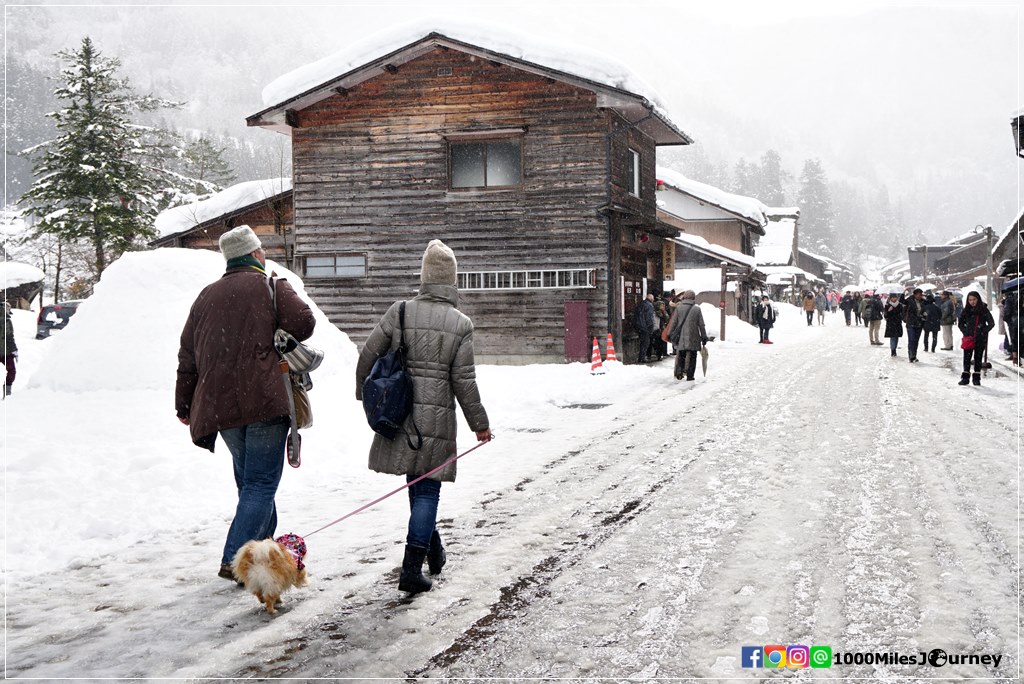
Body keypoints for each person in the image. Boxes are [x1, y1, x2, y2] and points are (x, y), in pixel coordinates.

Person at [176, 225, 316, 582]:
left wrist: (184, 404)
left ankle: (261, 557)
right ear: (255, 254)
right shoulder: (269, 286)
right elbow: (304, 323)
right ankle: (233, 558)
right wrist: (280, 289)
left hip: (220, 409)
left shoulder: (206, 296)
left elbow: (187, 356)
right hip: (265, 401)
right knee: (259, 485)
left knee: (250, 484)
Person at [355, 240, 492, 594]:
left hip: (399, 415)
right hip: (436, 422)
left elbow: (368, 355)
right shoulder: (460, 324)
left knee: (417, 488)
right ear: (452, 281)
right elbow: (464, 382)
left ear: (424, 276)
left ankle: (434, 552)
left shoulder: (399, 311)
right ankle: (411, 570)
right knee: (427, 491)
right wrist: (480, 424)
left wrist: (365, 396)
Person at [666, 290, 707, 381]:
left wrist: (669, 333)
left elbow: (674, 322)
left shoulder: (679, 308)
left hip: (681, 336)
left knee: (681, 354)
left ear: (684, 297)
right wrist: (704, 336)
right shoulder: (696, 309)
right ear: (693, 298)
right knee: (693, 356)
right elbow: (701, 324)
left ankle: (680, 371)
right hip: (694, 336)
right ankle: (690, 375)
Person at [957, 290, 995, 386]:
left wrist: (983, 331)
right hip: (968, 339)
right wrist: (966, 331)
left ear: (978, 299)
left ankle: (976, 378)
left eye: (974, 299)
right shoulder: (966, 310)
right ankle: (965, 378)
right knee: (967, 358)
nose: (972, 302)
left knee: (978, 358)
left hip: (980, 339)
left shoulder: (983, 310)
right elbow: (960, 323)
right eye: (970, 300)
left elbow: (991, 323)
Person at [901, 288, 925, 362]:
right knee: (911, 339)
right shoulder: (909, 300)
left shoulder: (923, 302)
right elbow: (901, 301)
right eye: (918, 294)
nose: (919, 296)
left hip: (919, 323)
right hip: (911, 323)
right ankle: (911, 355)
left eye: (920, 295)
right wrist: (903, 292)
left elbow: (931, 302)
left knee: (916, 340)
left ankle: (914, 355)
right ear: (914, 295)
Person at [633, 293, 656, 363]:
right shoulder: (649, 306)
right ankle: (642, 357)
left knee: (642, 342)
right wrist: (650, 328)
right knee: (645, 342)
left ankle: (641, 357)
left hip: (638, 325)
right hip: (644, 327)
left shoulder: (641, 303)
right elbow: (649, 318)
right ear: (651, 299)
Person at [883, 293, 904, 357]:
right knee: (892, 337)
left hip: (897, 323)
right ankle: (893, 350)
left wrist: (899, 315)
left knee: (896, 337)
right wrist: (888, 311)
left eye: (895, 297)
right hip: (891, 324)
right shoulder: (887, 305)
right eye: (892, 297)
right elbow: (885, 316)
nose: (893, 299)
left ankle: (894, 348)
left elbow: (902, 314)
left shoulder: (900, 305)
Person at [3, 302, 16, 398]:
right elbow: (9, 337)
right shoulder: (6, 321)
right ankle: (7, 391)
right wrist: (14, 349)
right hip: (5, 352)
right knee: (11, 370)